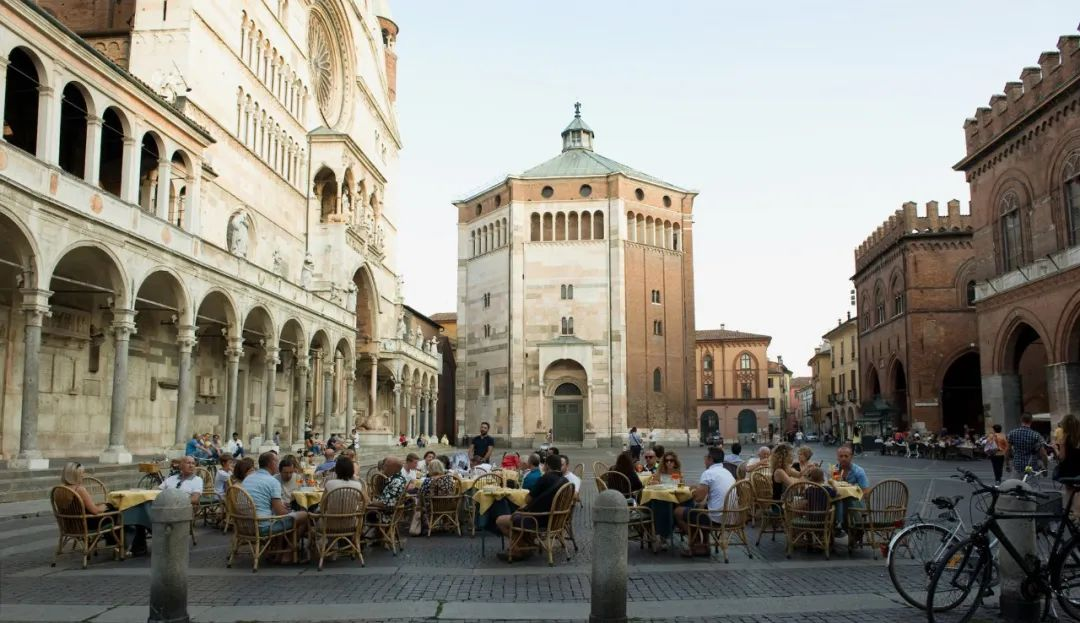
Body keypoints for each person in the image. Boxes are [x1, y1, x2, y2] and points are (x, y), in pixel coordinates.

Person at [495, 453, 568, 561]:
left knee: (500, 520)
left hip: (538, 520)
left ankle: (520, 549)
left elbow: (528, 499)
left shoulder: (544, 479)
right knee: (518, 515)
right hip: (556, 521)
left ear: (547, 466)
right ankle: (525, 546)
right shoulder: (565, 481)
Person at [242, 452, 308, 562]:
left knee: (284, 517)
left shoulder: (248, 479)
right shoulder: (272, 481)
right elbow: (281, 513)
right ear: (272, 464)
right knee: (305, 516)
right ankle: (287, 553)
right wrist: (292, 512)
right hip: (262, 525)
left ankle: (277, 551)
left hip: (244, 524)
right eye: (276, 461)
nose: (277, 464)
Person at [674, 446, 735, 557]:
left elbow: (698, 498)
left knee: (678, 511)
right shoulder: (727, 472)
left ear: (710, 459)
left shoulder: (709, 473)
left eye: (705, 457)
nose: (704, 460)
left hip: (717, 517)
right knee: (699, 509)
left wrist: (693, 490)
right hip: (733, 515)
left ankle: (696, 545)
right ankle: (705, 546)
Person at [59, 462, 125, 550]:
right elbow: (95, 511)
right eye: (81, 473)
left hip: (69, 525)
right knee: (117, 512)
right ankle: (117, 544)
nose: (83, 475)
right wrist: (103, 507)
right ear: (75, 475)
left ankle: (110, 541)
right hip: (85, 524)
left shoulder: (59, 489)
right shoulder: (79, 489)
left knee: (109, 510)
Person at [833, 445, 869, 538]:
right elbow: (832, 485)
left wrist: (854, 493)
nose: (843, 459)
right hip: (837, 499)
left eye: (846, 456)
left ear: (851, 457)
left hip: (854, 500)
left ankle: (854, 527)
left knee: (848, 500)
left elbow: (866, 491)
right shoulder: (835, 469)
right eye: (841, 456)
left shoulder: (858, 471)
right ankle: (836, 526)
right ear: (837, 457)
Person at [1055, 414, 1080, 517]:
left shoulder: (1065, 439)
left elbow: (1062, 457)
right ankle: (1078, 513)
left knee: (1069, 490)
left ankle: (1072, 513)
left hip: (1068, 469)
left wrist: (1056, 448)